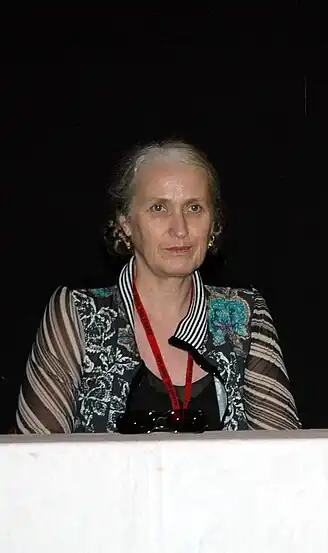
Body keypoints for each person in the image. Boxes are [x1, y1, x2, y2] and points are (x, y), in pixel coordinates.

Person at [15, 140, 301, 433]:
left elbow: (284, 454)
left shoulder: (243, 312)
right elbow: (34, 458)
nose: (180, 229)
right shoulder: (77, 311)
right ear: (125, 222)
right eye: (159, 208)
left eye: (194, 207)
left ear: (213, 222)